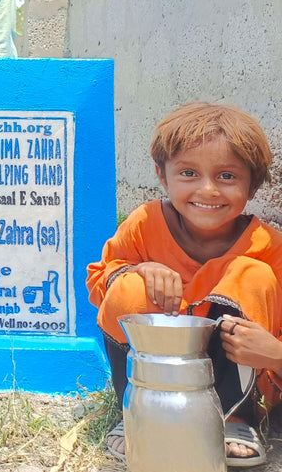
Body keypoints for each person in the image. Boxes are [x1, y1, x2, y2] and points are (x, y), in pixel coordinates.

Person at [86, 102, 281, 466]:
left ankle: (236, 420)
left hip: (239, 380)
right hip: (158, 373)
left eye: (227, 176)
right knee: (127, 285)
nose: (208, 190)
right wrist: (138, 270)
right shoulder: (145, 223)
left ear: (252, 186)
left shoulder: (269, 247)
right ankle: (137, 412)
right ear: (163, 175)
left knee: (251, 275)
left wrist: (274, 354)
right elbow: (99, 280)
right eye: (189, 172)